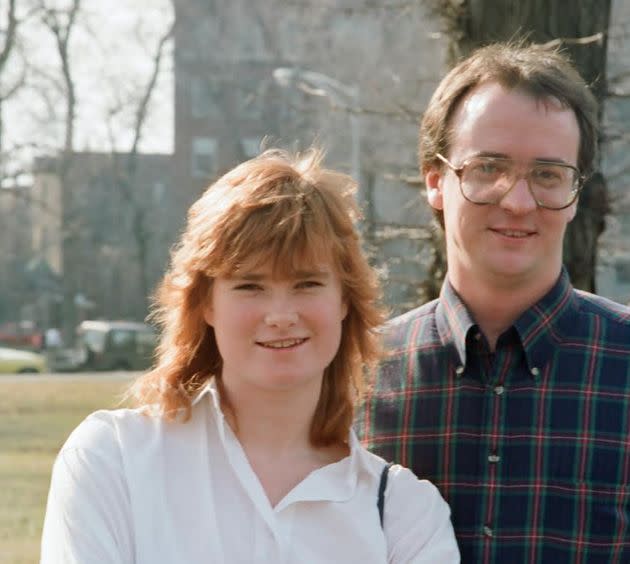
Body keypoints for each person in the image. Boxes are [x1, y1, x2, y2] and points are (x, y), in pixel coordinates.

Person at [41, 149, 460, 563]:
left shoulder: (405, 515)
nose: (280, 316)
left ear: (345, 301)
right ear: (205, 304)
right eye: (249, 286)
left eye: (307, 283)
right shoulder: (113, 460)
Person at [358, 42, 630, 563]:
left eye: (548, 174)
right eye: (488, 168)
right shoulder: (356, 375)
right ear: (436, 182)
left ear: (576, 191)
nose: (518, 200)